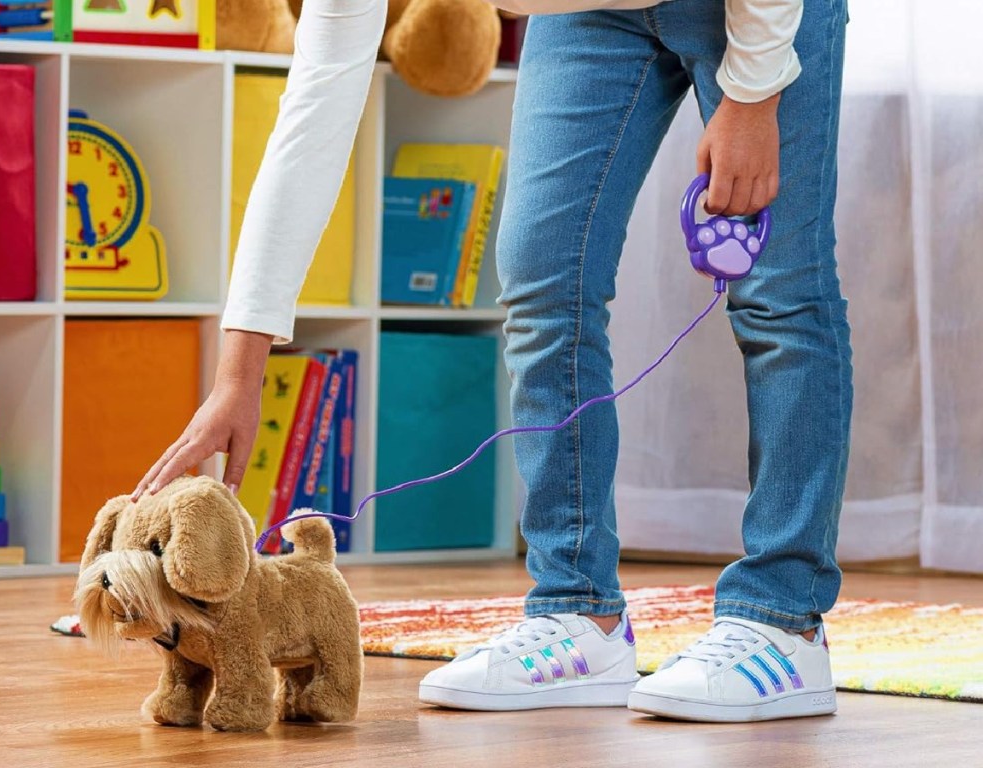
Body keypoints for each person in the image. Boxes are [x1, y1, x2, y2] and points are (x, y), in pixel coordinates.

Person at [134, 0, 852, 723]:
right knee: (544, 282)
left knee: (779, 295)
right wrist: (239, 374)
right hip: (584, 16)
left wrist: (754, 93)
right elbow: (311, 119)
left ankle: (783, 618)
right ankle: (579, 613)